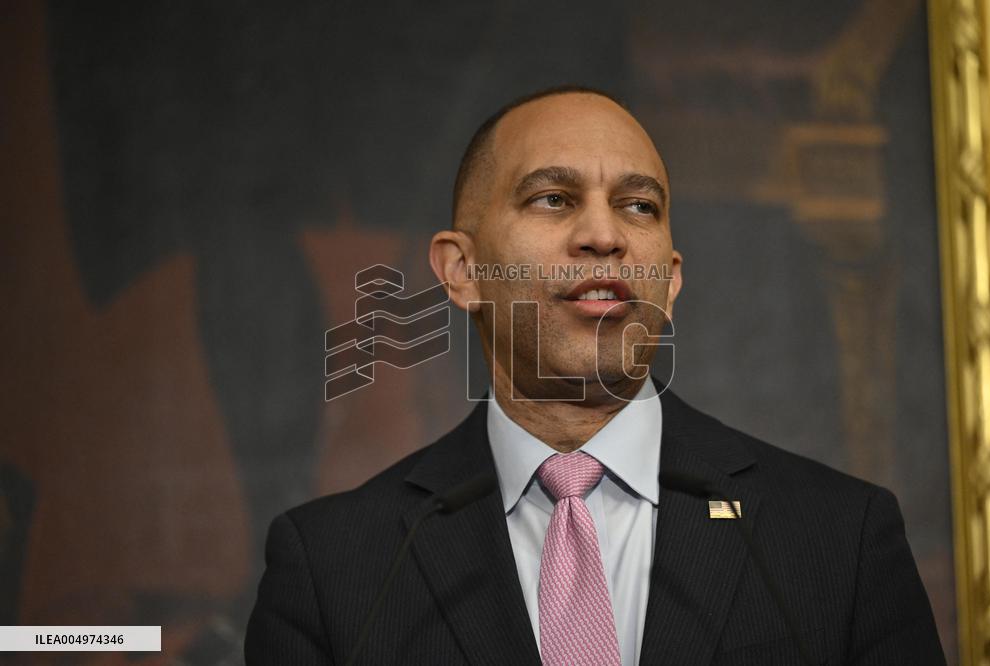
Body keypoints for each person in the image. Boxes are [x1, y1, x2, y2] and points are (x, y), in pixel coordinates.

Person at [245, 87, 945, 665]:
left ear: (669, 282)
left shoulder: (835, 539)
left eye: (638, 206)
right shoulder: (337, 570)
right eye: (552, 197)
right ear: (462, 271)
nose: (603, 235)